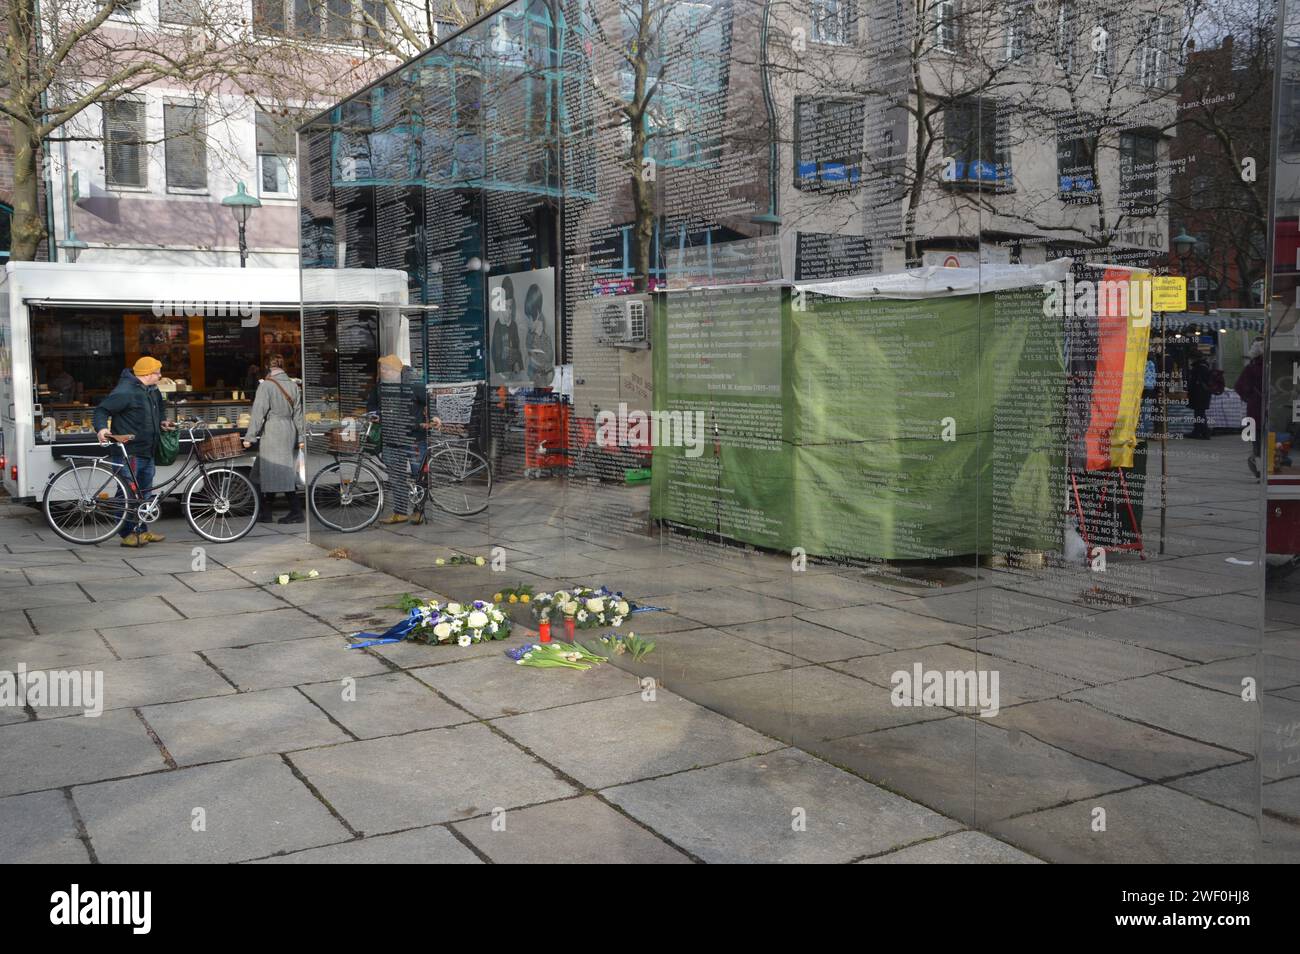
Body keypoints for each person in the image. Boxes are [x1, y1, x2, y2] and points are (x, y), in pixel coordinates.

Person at [93, 356, 177, 548]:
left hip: (147, 450)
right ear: (147, 374)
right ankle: (126, 534)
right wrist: (101, 429)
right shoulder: (125, 391)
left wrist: (162, 421)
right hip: (129, 451)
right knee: (127, 494)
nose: (160, 375)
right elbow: (101, 410)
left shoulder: (152, 390)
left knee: (144, 494)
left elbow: (159, 408)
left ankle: (142, 531)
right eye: (157, 372)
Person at [367, 355, 440, 525]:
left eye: (385, 368)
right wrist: (374, 414)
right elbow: (372, 404)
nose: (381, 371)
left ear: (395, 370)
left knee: (418, 475)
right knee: (396, 477)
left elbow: (429, 399)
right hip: (392, 438)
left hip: (414, 438)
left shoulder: (413, 383)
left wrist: (435, 416)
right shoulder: (380, 386)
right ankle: (400, 512)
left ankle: (419, 511)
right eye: (381, 368)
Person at [242, 355, 304, 523]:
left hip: (273, 431)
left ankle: (296, 512)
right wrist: (302, 436)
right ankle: (266, 511)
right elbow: (298, 414)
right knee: (269, 471)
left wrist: (250, 436)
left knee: (278, 471)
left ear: (268, 368)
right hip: (289, 429)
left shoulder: (266, 386)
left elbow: (258, 413)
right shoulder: (293, 386)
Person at [1234, 336, 1265, 477]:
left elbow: (1239, 387)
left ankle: (1259, 472)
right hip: (1270, 411)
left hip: (1254, 411)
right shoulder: (1271, 366)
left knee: (1257, 445)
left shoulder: (1250, 368)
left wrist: (1248, 397)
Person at [490, 276, 524, 383]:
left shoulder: (513, 325)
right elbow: (495, 350)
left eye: (510, 307)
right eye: (506, 307)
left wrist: (518, 363)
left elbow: (516, 345)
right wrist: (500, 370)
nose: (509, 311)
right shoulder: (498, 325)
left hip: (513, 369)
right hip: (502, 371)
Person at [524, 282, 555, 387]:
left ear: (537, 314)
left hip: (543, 381)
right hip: (534, 381)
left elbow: (548, 359)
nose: (527, 321)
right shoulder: (529, 335)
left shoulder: (546, 335)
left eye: (529, 317)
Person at [1186, 356, 1213, 440]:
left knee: (1199, 413)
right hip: (1203, 394)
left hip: (1199, 395)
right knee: (1199, 413)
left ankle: (1204, 432)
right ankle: (1198, 431)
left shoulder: (1198, 368)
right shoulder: (1205, 367)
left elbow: (1194, 383)